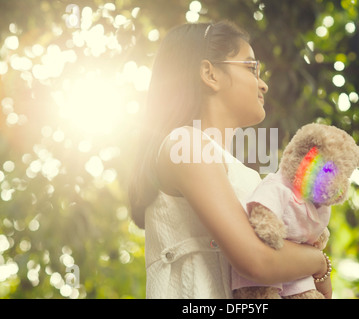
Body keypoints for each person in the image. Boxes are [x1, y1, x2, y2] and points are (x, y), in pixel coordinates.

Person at [128, 20, 332, 299]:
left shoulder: (242, 173)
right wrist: (319, 261)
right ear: (210, 74)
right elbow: (257, 260)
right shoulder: (185, 143)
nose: (263, 84)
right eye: (251, 68)